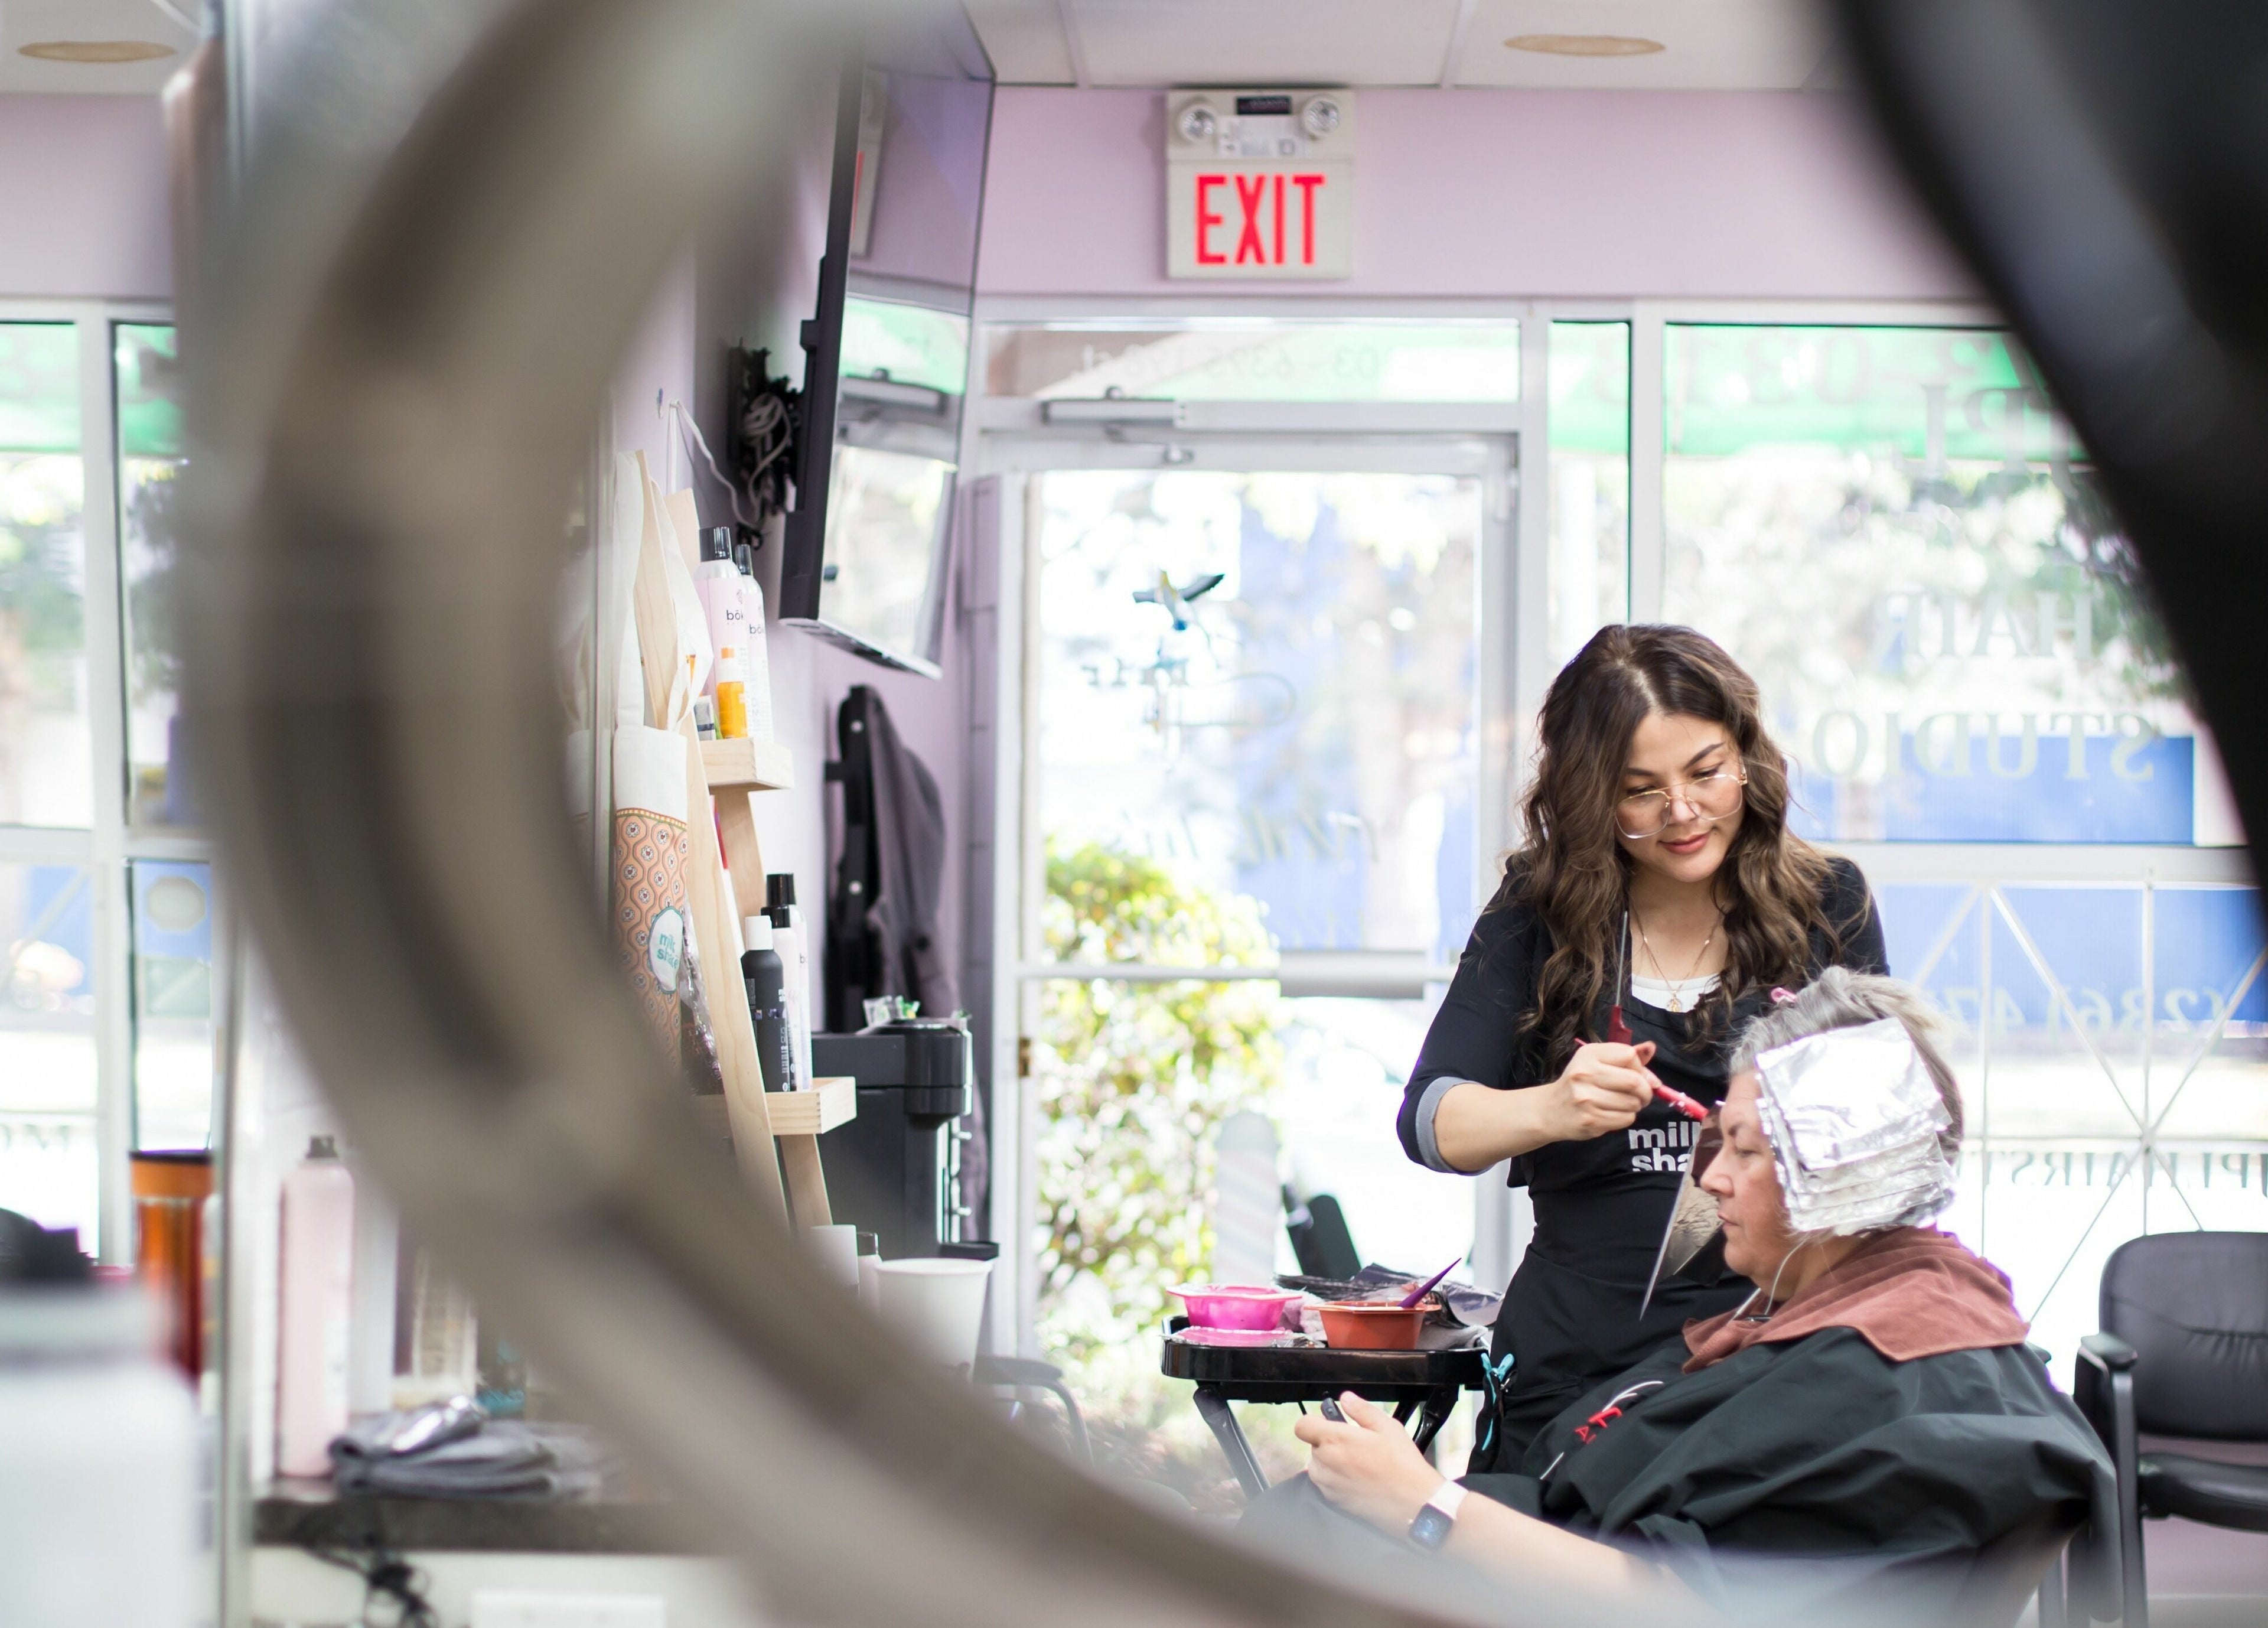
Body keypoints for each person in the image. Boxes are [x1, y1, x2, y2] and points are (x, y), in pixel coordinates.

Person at [1269, 972, 2116, 1617]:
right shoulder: (1835, 1313)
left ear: (1842, 1176)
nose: (1710, 1179)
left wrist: (1425, 1507)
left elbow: (1685, 1605)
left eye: (1743, 1151)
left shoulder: (1891, 1384)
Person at [1399, 624, 1888, 1463]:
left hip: (1774, 1343)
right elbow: (1431, 1124)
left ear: (1748, 758)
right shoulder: (1539, 912)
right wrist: (1553, 1107)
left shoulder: (1826, 903)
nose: (1684, 813)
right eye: (1641, 791)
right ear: (1593, 798)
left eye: (1707, 773)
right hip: (1578, 1353)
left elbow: (1885, 1143)